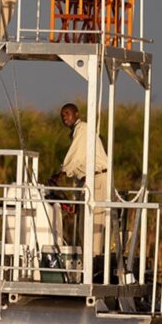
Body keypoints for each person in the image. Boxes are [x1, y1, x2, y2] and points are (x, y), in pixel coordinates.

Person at [52, 103, 110, 256]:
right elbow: (79, 165)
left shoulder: (82, 128)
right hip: (88, 181)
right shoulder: (76, 132)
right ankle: (87, 261)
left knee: (94, 225)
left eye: (67, 113)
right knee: (83, 225)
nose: (65, 117)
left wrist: (60, 173)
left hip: (98, 179)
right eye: (62, 115)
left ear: (76, 114)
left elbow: (74, 157)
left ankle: (94, 262)